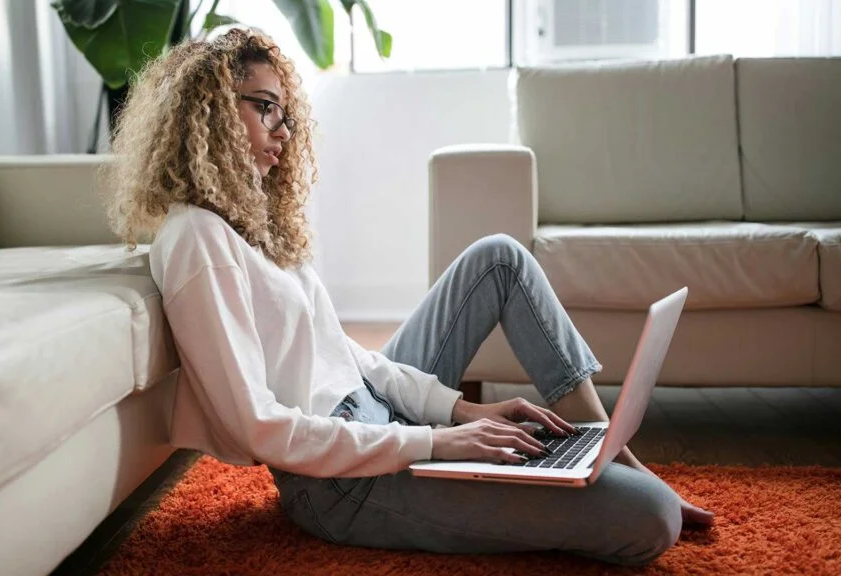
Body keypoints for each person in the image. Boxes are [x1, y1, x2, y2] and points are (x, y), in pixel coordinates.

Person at [105, 28, 714, 566]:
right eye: (265, 109)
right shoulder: (197, 238)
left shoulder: (251, 223)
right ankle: (611, 473)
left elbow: (345, 355)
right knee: (652, 517)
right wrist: (435, 442)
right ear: (208, 111)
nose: (283, 133)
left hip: (376, 415)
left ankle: (605, 446)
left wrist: (458, 412)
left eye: (286, 115)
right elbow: (260, 428)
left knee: (498, 257)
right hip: (338, 482)